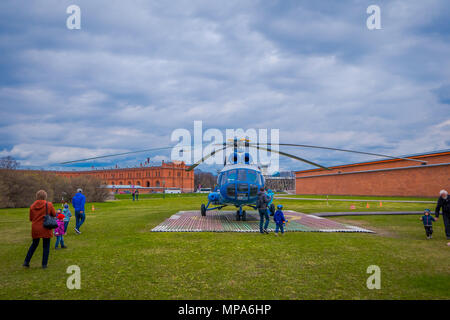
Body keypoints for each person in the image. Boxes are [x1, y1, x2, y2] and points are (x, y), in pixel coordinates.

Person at [23, 190, 56, 269]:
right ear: (45, 196)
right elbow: (54, 214)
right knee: (46, 246)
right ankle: (44, 264)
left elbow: (31, 218)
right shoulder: (49, 204)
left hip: (35, 227)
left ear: (37, 196)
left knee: (34, 245)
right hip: (46, 226)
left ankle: (26, 261)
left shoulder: (32, 206)